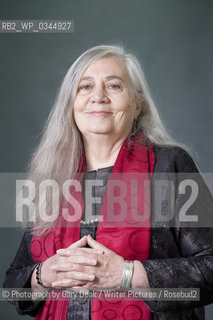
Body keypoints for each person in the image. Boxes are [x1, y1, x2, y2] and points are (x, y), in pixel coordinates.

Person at [3, 44, 213, 320]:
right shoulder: (53, 177)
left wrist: (128, 274)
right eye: (85, 87)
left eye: (114, 86)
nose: (98, 97)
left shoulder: (168, 165)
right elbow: (12, 288)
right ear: (71, 104)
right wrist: (44, 274)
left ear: (138, 103)